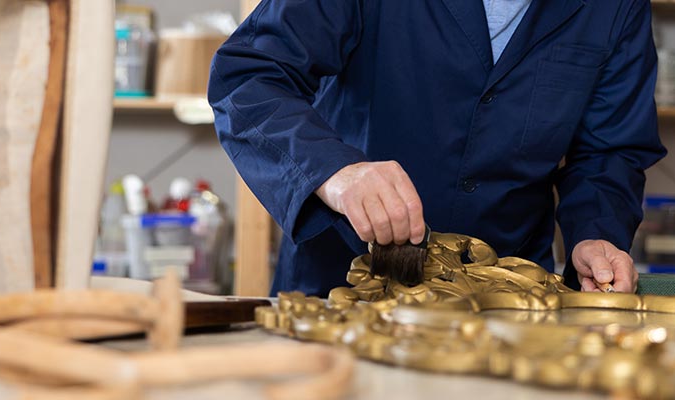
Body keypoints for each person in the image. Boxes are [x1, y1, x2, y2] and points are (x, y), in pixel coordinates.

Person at [208, 0, 666, 296]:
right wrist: (335, 173)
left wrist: (597, 233)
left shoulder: (618, 7)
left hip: (507, 306)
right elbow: (248, 78)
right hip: (341, 289)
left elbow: (610, 151)